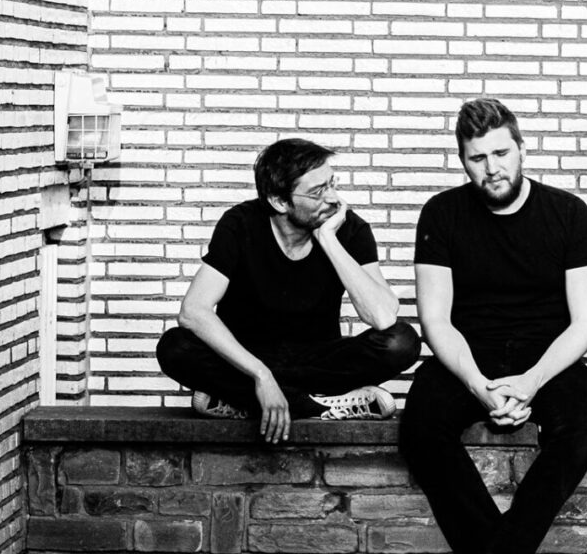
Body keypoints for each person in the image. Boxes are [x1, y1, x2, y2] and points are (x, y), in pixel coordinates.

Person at [398, 98, 587, 554]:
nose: (491, 168)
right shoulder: (441, 214)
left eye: (500, 153)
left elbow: (586, 323)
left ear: (520, 149)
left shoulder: (568, 213)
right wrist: (478, 385)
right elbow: (436, 320)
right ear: (462, 161)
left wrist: (532, 381)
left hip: (548, 357)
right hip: (469, 355)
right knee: (420, 425)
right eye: (477, 158)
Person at [156, 138, 420, 441]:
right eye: (317, 192)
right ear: (279, 201)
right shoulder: (240, 224)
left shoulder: (349, 228)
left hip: (318, 363)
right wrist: (261, 375)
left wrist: (329, 241)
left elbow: (383, 317)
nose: (333, 198)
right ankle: (316, 406)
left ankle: (245, 403)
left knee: (401, 341)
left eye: (331, 184)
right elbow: (193, 311)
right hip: (248, 357)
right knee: (174, 347)